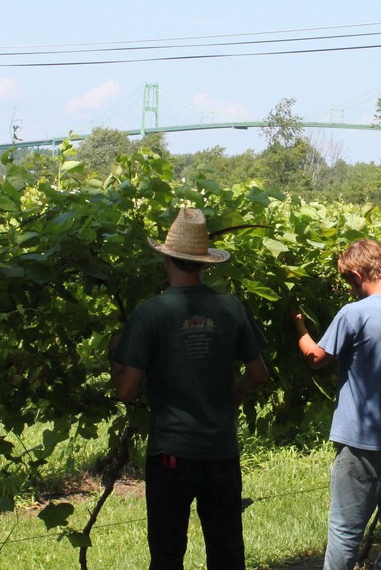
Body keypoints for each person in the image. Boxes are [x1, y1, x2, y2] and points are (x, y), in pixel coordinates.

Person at [110, 207, 269, 570]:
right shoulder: (230, 308)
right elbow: (259, 373)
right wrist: (238, 390)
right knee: (227, 553)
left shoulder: (151, 313)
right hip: (221, 452)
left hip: (171, 454)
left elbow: (126, 391)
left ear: (167, 257)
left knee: (167, 555)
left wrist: (115, 357)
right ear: (203, 263)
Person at [293, 238, 381, 570]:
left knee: (345, 532)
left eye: (348, 281)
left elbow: (315, 358)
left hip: (363, 441)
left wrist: (296, 323)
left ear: (357, 274)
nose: (349, 289)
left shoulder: (353, 313)